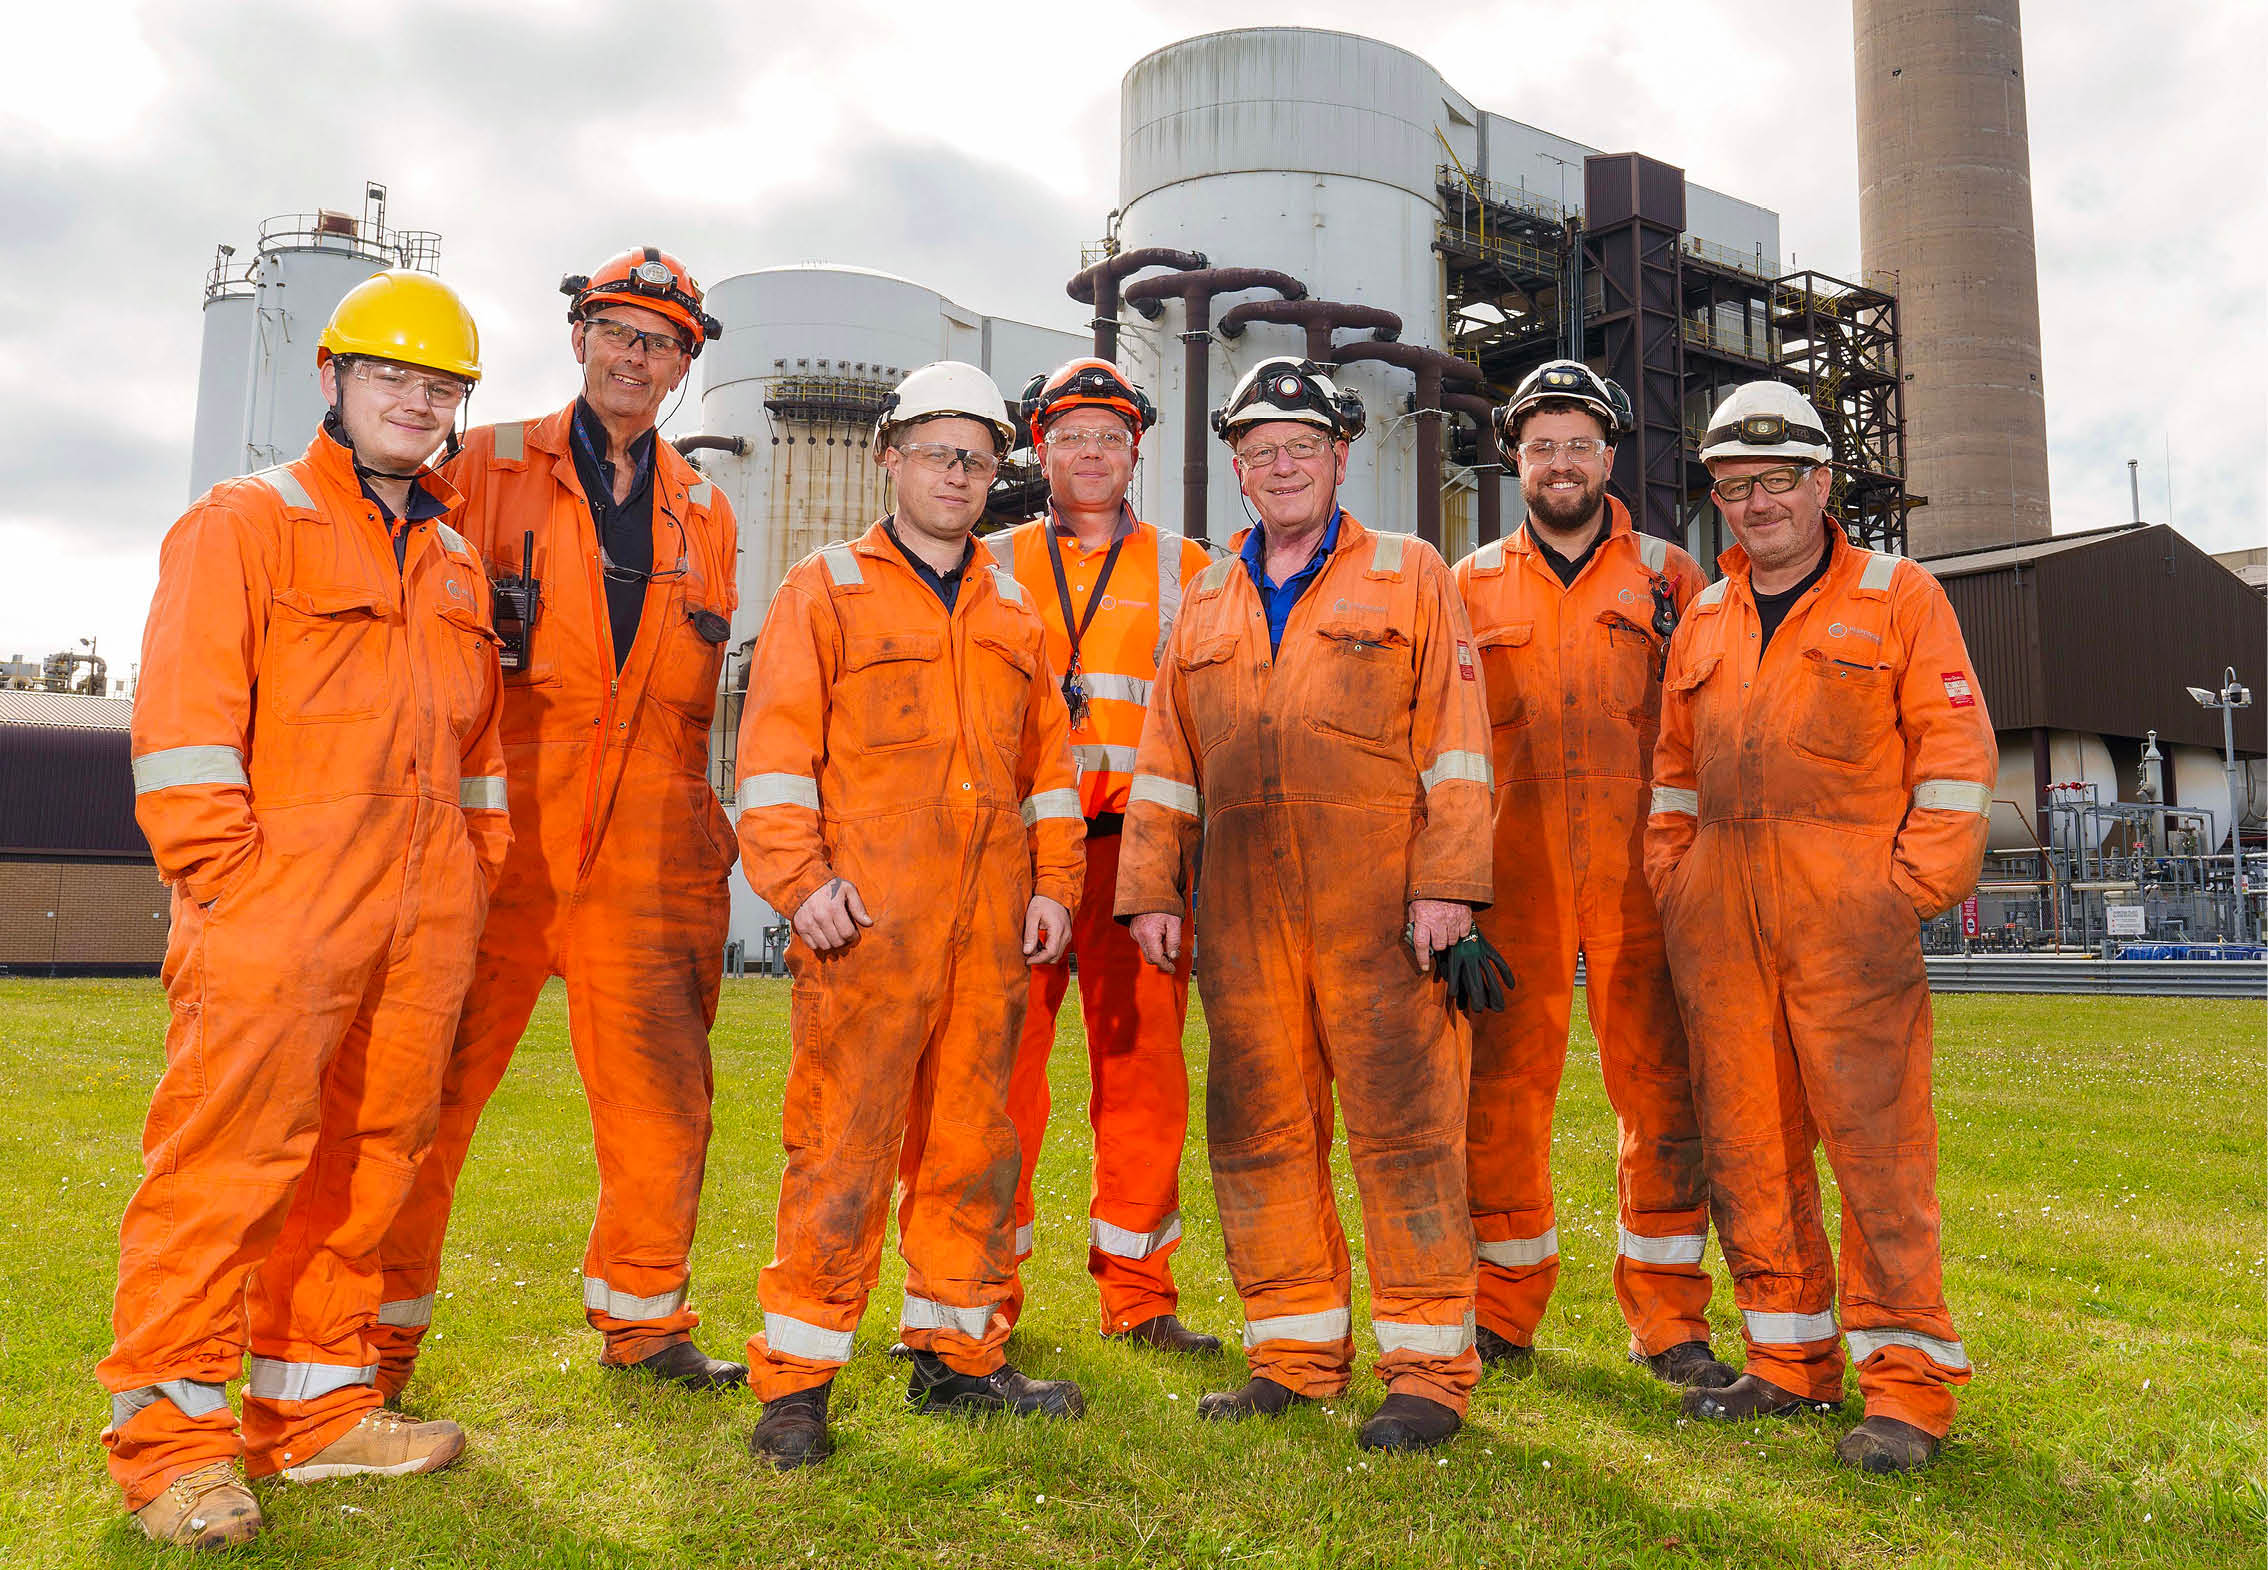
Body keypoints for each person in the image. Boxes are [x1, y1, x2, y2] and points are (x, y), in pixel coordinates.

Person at [103, 270, 507, 1549]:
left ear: (458, 407)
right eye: (389, 374)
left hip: (422, 918)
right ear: (332, 379)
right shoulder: (244, 521)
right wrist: (228, 885)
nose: (412, 399)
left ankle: (319, 1414)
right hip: (277, 913)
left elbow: (479, 754)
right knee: (224, 1176)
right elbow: (182, 725)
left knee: (371, 1166)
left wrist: (472, 872)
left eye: (436, 383)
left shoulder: (456, 563)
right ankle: (172, 1446)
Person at [372, 247, 746, 1396]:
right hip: (494, 837)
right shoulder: (476, 465)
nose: (637, 358)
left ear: (686, 366)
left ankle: (645, 1322)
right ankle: (370, 1344)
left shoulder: (706, 511)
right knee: (420, 1094)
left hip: (648, 852)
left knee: (662, 1099)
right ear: (580, 338)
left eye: (662, 343)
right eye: (619, 333)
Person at [1115, 356, 1495, 1453]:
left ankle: (1428, 1371)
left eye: (1302, 448)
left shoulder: (1411, 572)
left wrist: (1447, 882)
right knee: (1260, 1132)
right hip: (1241, 914)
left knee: (1407, 1132)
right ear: (1238, 469)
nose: (1281, 467)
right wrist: (1150, 886)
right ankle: (1293, 1355)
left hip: (1382, 909)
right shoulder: (1205, 595)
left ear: (1340, 456)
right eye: (1260, 453)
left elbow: (1458, 743)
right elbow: (1166, 757)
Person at [735, 361, 1087, 1469]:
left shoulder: (1018, 611)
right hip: (865, 927)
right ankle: (796, 1383)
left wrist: (1056, 882)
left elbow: (1051, 772)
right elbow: (776, 758)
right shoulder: (825, 589)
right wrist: (801, 882)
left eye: (977, 458)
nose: (957, 474)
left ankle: (958, 1356)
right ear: (889, 455)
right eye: (939, 451)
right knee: (840, 1145)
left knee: (975, 1149)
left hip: (989, 931)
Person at [1645, 380, 1997, 1473]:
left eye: (1778, 481)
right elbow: (1671, 775)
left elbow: (1955, 752)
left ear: (1821, 483)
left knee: (1879, 1156)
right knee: (1750, 1149)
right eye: (1736, 487)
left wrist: (1904, 892)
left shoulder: (1900, 596)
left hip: (1852, 928)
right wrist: (1677, 878)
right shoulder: (1704, 613)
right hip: (1723, 930)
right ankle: (1787, 1361)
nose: (1757, 504)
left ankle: (1905, 1387)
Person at [1450, 361, 1730, 1387]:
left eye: (1579, 445)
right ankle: (1498, 1311)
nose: (1560, 464)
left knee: (1662, 1095)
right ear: (1514, 458)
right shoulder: (1466, 583)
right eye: (1542, 446)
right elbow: (1440, 741)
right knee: (1499, 1094)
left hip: (1641, 879)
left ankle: (1669, 1320)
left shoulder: (1670, 576)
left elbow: (1707, 729)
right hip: (1509, 881)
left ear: (1609, 458)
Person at [961, 357, 1219, 1352]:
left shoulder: (1193, 570)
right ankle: (977, 1286)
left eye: (1110, 435)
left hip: (1133, 857)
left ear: (1136, 449)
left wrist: (1177, 861)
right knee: (997, 1076)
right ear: (1041, 447)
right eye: (1071, 435)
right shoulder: (984, 560)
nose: (1092, 452)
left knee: (1143, 1074)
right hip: (1015, 853)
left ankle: (1141, 1296)